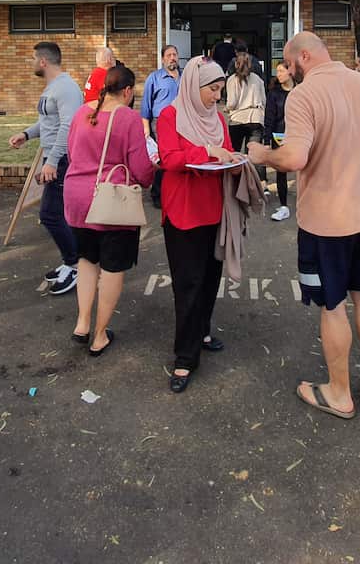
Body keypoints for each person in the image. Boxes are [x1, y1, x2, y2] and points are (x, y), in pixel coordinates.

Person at [248, 33, 360, 422]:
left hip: (327, 223)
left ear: (304, 56)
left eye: (289, 64)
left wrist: (261, 154)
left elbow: (294, 157)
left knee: (332, 305)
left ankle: (339, 393)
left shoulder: (305, 95)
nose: (288, 71)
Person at [157, 56, 236, 392]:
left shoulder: (218, 119)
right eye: (212, 89)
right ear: (193, 86)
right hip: (183, 212)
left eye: (220, 89)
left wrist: (236, 162)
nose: (216, 96)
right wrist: (207, 152)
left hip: (215, 211)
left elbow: (229, 153)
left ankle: (201, 330)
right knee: (187, 284)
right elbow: (170, 158)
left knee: (208, 280)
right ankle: (185, 359)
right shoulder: (170, 115)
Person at [63, 64, 155, 355]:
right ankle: (100, 335)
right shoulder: (128, 119)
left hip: (76, 199)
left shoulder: (82, 113)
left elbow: (70, 151)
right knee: (113, 269)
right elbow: (141, 170)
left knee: (88, 262)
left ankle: (82, 323)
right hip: (111, 203)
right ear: (127, 91)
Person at [9, 42, 85, 295]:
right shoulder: (53, 88)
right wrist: (26, 134)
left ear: (43, 61)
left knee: (50, 215)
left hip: (61, 160)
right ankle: (71, 261)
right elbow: (48, 121)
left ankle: (75, 266)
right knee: (58, 215)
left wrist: (52, 161)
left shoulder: (66, 88)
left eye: (33, 58)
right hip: (53, 159)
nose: (30, 63)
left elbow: (68, 126)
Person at [141, 44, 181, 207]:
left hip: (182, 123)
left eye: (175, 54)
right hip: (160, 124)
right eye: (169, 55)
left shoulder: (185, 76)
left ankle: (176, 192)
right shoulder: (155, 78)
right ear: (163, 58)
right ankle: (157, 194)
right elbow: (146, 105)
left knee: (178, 159)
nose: (172, 58)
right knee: (162, 160)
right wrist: (146, 127)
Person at [225, 50, 267, 184]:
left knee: (235, 154)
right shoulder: (257, 79)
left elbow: (231, 102)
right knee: (255, 154)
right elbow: (264, 100)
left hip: (237, 119)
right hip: (255, 118)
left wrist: (227, 108)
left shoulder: (232, 80)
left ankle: (236, 183)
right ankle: (261, 184)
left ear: (236, 64)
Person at [264, 60, 294, 222]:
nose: (279, 75)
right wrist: (267, 139)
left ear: (290, 72)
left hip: (298, 135)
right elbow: (269, 117)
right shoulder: (274, 93)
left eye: (282, 71)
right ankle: (284, 206)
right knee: (281, 171)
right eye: (278, 71)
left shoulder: (300, 90)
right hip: (279, 136)